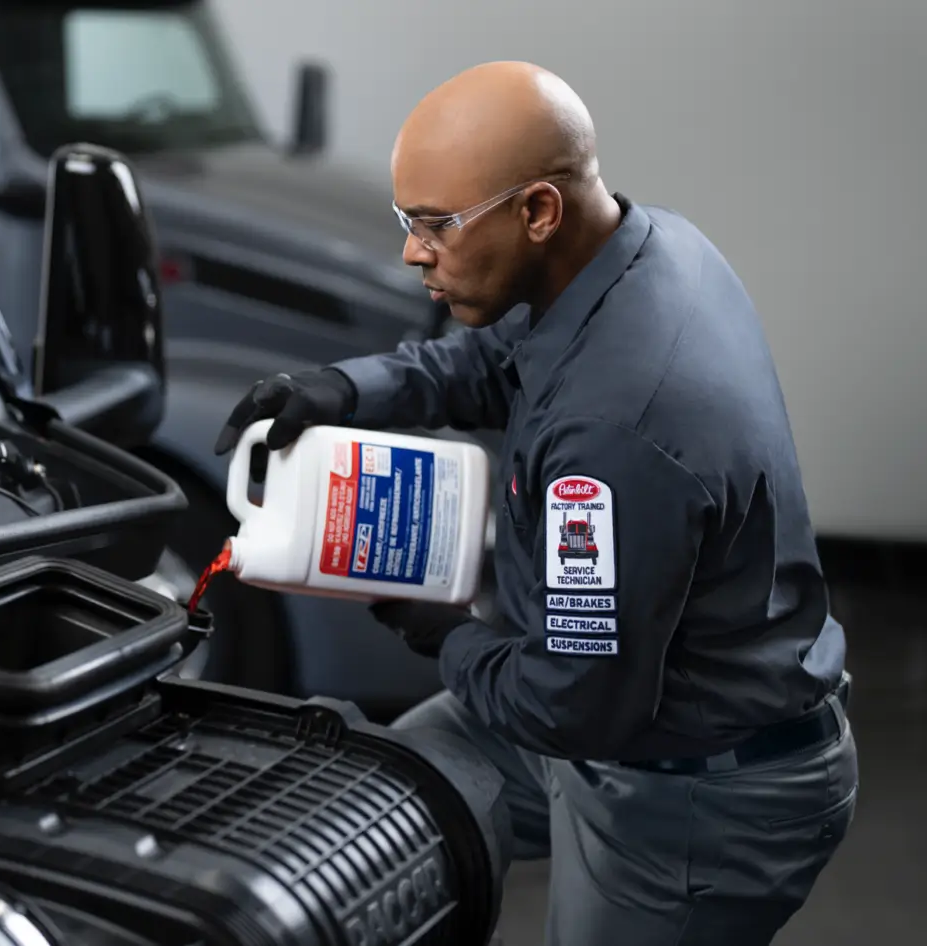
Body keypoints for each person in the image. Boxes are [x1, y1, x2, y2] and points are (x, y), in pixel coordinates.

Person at [212, 61, 858, 945]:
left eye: (435, 225)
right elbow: (491, 362)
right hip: (610, 708)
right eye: (410, 222)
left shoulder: (615, 432)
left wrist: (439, 627)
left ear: (538, 212)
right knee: (399, 779)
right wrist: (342, 390)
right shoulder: (640, 249)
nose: (412, 251)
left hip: (690, 794)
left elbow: (572, 708)